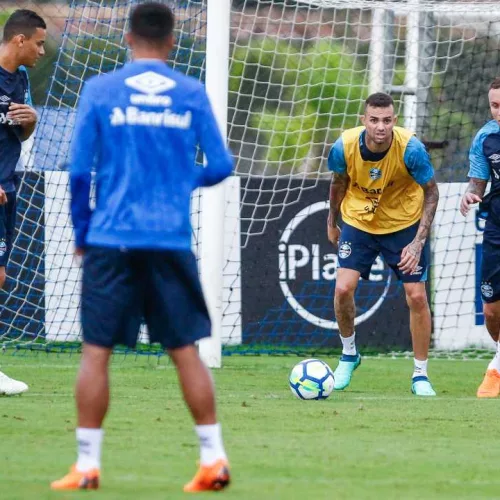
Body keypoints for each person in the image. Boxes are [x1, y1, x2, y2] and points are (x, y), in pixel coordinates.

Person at [51, 3, 233, 492]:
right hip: (170, 238)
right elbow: (220, 165)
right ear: (172, 42)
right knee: (185, 351)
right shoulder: (191, 92)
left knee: (96, 352)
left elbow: (79, 173)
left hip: (112, 239)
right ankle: (213, 459)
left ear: (127, 38)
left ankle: (87, 465)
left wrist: (82, 233)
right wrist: (179, 181)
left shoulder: (100, 90)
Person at [327, 92, 439, 396]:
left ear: (394, 121)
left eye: (387, 120)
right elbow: (338, 183)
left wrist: (418, 242)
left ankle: (420, 375)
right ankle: (349, 354)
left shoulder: (411, 149)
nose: (380, 126)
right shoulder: (344, 146)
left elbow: (431, 192)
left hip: (403, 224)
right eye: (374, 120)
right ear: (364, 120)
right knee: (342, 289)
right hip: (359, 222)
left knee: (416, 296)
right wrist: (331, 221)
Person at [0, 9, 46, 396]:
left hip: (7, 187)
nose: (42, 51)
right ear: (20, 40)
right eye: (39, 43)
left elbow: (23, 133)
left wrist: (30, 119)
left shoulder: (22, 79)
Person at [460, 77, 500, 398]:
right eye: (495, 105)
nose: (499, 111)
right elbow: (478, 184)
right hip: (496, 228)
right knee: (490, 310)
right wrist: (468, 196)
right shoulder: (485, 137)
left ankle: (496, 369)